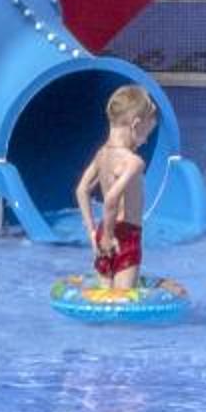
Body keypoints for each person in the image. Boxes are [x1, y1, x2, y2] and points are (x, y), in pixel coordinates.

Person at [75, 85, 157, 292]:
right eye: (147, 132)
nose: (146, 140)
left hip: (104, 231)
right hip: (126, 237)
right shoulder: (133, 162)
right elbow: (111, 198)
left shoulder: (101, 154)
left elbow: (82, 190)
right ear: (135, 125)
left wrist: (94, 232)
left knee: (104, 297)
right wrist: (109, 236)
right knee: (123, 300)